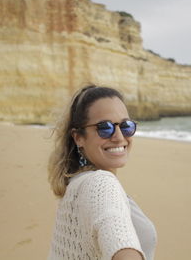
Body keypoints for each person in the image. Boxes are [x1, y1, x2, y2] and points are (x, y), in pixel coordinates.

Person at [47, 85, 157, 260]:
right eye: (105, 127)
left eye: (126, 126)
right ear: (78, 137)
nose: (119, 137)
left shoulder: (76, 184)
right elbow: (116, 234)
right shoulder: (101, 184)